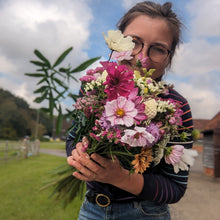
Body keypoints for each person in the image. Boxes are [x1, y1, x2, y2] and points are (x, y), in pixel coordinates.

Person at [66, 1, 194, 219]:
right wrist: (78, 154)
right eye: (133, 42)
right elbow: (73, 138)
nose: (142, 58)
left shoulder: (177, 108)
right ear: (117, 42)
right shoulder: (94, 86)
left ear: (169, 57)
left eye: (158, 49)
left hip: (146, 213)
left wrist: (120, 177)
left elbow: (175, 188)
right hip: (92, 210)